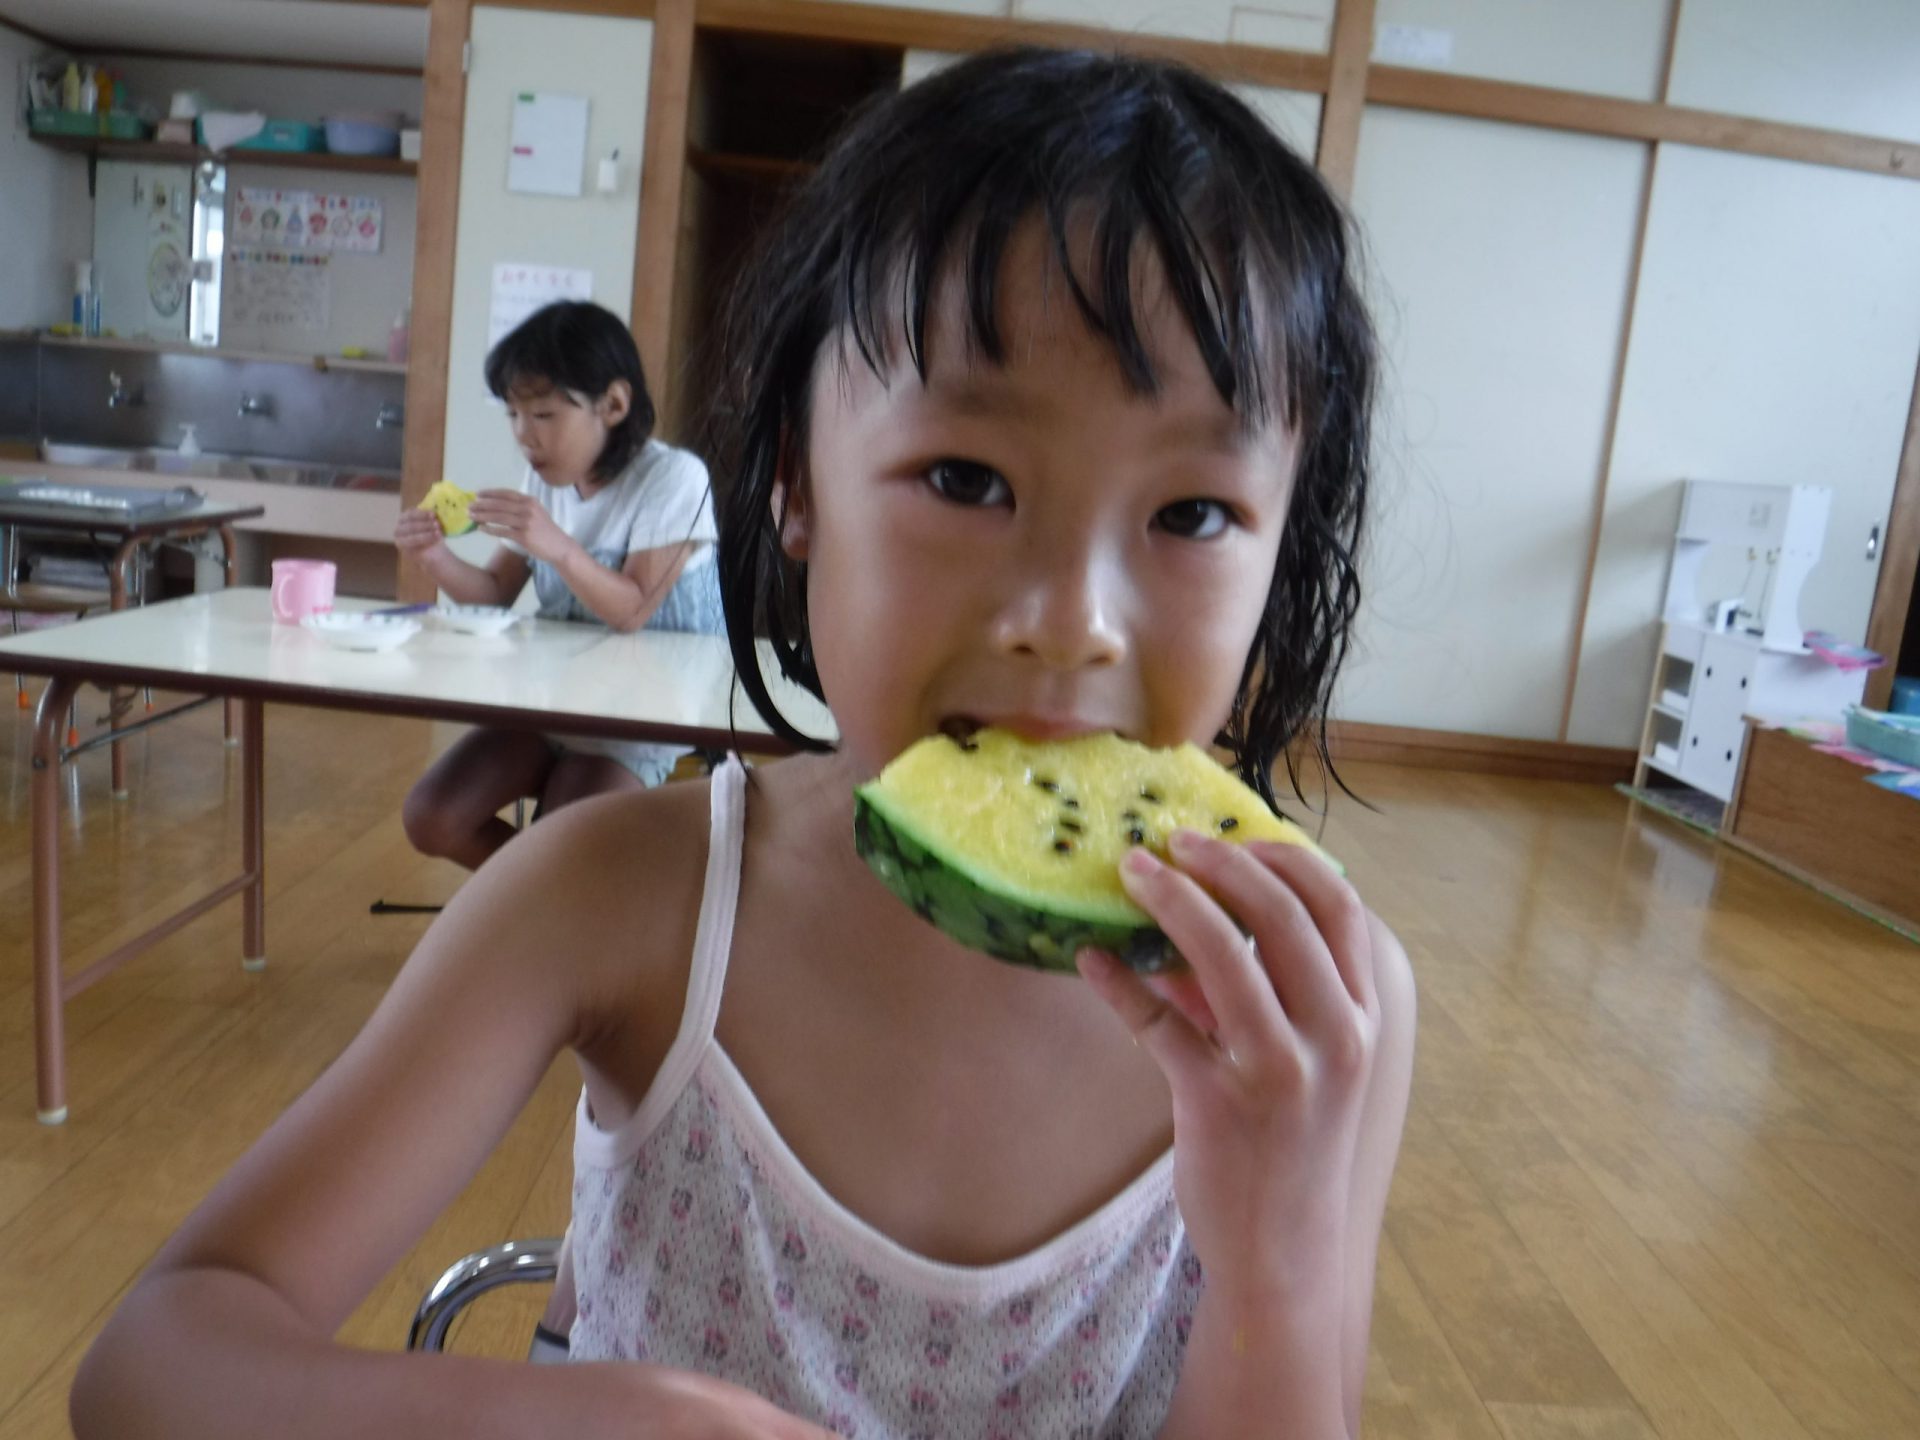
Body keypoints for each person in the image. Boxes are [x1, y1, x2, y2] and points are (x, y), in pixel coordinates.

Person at [73, 47, 1415, 1439]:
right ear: (795, 488)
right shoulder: (618, 895)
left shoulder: (1328, 1005)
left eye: (1193, 513)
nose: (1071, 625)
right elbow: (157, 1362)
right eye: (967, 479)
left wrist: (1275, 1253)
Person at [392, 300, 723, 870]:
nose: (525, 435)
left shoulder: (673, 478)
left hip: (642, 711)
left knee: (558, 850)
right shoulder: (544, 481)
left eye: (544, 414)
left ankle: (555, 894)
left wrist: (557, 545)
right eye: (514, 415)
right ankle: (557, 895)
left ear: (613, 405)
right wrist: (435, 557)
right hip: (556, 698)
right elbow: (494, 591)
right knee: (432, 816)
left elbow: (632, 611)